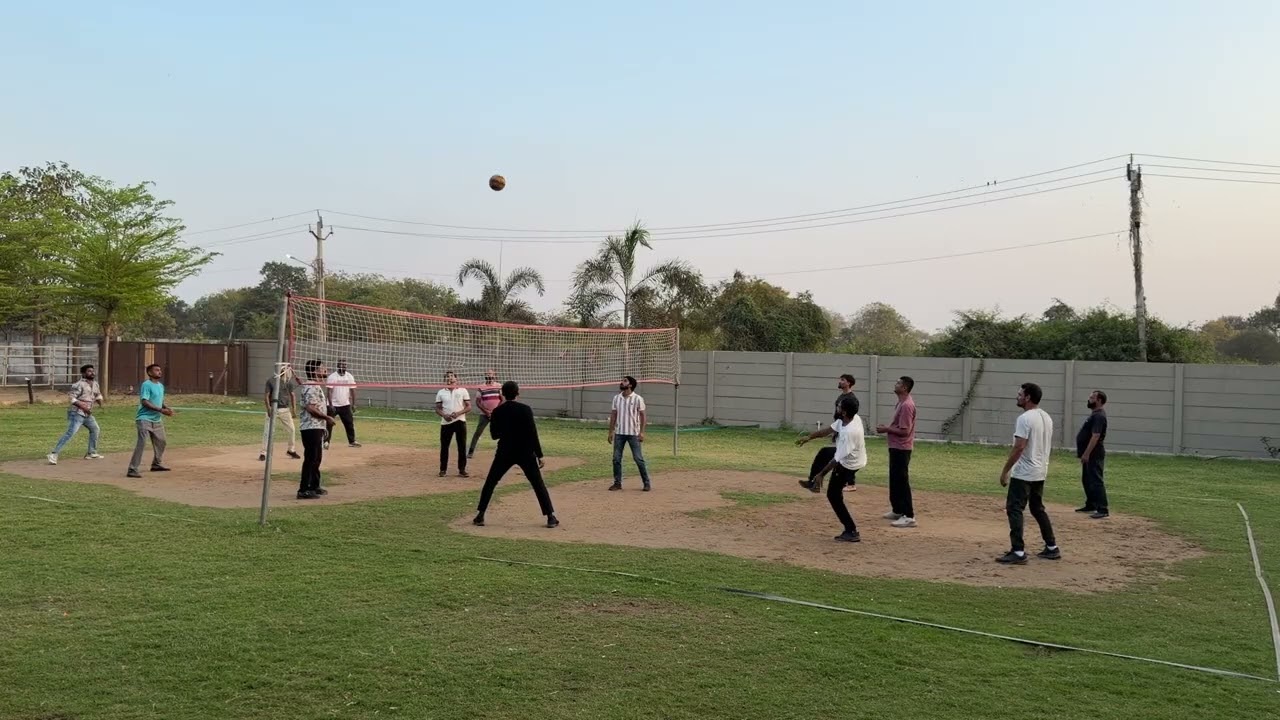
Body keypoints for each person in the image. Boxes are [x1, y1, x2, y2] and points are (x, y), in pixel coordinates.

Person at [473, 380, 559, 528]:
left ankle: (480, 515)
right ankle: (550, 517)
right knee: (538, 484)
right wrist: (540, 454)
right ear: (518, 393)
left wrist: (506, 429)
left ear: (502, 394)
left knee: (491, 482)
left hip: (505, 451)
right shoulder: (525, 409)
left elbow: (494, 435)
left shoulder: (497, 411)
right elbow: (533, 433)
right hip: (525, 451)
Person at [996, 382, 1061, 564]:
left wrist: (1005, 471)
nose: (1017, 397)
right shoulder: (1046, 417)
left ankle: (1017, 552)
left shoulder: (1024, 419)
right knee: (1037, 509)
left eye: (1020, 394)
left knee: (1014, 509)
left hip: (1024, 473)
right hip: (1040, 471)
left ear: (1028, 397)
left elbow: (1019, 447)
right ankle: (1051, 547)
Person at [803, 396, 867, 543]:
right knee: (825, 451)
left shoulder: (849, 432)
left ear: (844, 412)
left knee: (833, 495)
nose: (836, 408)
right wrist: (809, 437)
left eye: (839, 407)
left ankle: (851, 530)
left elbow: (837, 460)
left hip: (849, 463)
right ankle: (812, 482)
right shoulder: (850, 418)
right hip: (850, 456)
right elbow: (828, 430)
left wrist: (821, 474)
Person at [801, 374, 860, 492]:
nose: (840, 381)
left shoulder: (852, 399)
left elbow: (850, 418)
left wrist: (841, 430)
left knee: (840, 455)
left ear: (849, 383)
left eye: (843, 380)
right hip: (839, 430)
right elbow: (836, 423)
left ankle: (849, 482)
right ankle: (813, 480)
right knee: (830, 454)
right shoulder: (841, 397)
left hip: (845, 434)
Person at [877, 376, 917, 528]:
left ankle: (909, 516)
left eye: (899, 383)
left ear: (905, 387)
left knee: (901, 481)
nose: (895, 384)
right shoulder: (901, 403)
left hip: (902, 447)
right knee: (894, 480)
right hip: (895, 446)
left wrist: (886, 429)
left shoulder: (907, 405)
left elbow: (905, 431)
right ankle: (898, 510)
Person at [47, 364, 104, 465]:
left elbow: (97, 394)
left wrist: (100, 401)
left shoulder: (95, 384)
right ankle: (53, 453)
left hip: (87, 414)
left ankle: (91, 452)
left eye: (93, 371)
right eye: (89, 371)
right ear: (83, 373)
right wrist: (84, 407)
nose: (92, 373)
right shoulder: (78, 384)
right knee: (70, 433)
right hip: (77, 413)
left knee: (95, 429)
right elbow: (72, 398)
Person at [127, 364, 174, 478]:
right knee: (142, 443)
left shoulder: (160, 386)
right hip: (144, 419)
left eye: (160, 370)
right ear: (149, 373)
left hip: (156, 419)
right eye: (156, 370)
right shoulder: (146, 385)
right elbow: (145, 402)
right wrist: (161, 410)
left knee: (161, 441)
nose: (159, 372)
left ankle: (156, 464)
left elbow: (159, 401)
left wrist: (166, 408)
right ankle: (132, 469)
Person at [298, 359, 337, 499]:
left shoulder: (314, 385)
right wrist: (327, 418)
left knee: (317, 458)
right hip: (310, 427)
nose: (325, 369)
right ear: (315, 371)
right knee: (311, 458)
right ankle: (303, 490)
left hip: (317, 427)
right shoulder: (311, 387)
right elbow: (310, 408)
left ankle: (314, 485)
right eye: (322, 368)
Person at [608, 375, 652, 491]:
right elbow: (613, 415)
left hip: (633, 433)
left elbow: (643, 416)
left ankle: (646, 483)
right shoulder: (617, 398)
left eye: (625, 381)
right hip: (620, 433)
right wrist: (611, 431)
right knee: (616, 459)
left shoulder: (638, 399)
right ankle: (617, 483)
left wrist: (642, 432)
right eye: (622, 380)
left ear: (630, 385)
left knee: (638, 458)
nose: (622, 382)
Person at [1076, 390, 1110, 519]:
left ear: (1099, 400)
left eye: (1092, 398)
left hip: (1094, 454)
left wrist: (1086, 453)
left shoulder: (1099, 416)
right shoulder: (1094, 414)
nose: (1089, 399)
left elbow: (1095, 436)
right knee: (1086, 479)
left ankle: (1102, 508)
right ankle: (1091, 504)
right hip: (1089, 454)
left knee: (1096, 480)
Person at [260, 368, 302, 462]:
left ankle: (291, 450)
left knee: (292, 429)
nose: (289, 375)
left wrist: (294, 409)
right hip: (273, 408)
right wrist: (268, 408)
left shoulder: (288, 383)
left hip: (285, 409)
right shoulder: (271, 381)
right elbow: (266, 395)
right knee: (267, 431)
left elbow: (293, 395)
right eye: (288, 373)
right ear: (284, 373)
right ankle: (263, 452)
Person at [435, 370, 471, 477]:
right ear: (445, 379)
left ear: (456, 379)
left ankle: (462, 470)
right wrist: (444, 415)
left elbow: (469, 406)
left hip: (460, 421)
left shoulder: (463, 390)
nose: (450, 378)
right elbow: (437, 409)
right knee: (444, 446)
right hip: (446, 423)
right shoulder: (441, 392)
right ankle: (443, 469)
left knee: (462, 446)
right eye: (447, 376)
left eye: (452, 376)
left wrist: (458, 413)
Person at [325, 359, 361, 449]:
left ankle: (352, 441)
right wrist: (330, 405)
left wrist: (354, 404)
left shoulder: (349, 376)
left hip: (345, 404)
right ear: (338, 366)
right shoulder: (332, 377)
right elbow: (329, 392)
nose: (343, 367)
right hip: (333, 404)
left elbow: (353, 390)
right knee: (329, 424)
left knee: (349, 423)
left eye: (344, 365)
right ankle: (326, 442)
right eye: (341, 365)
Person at [467, 370, 503, 459]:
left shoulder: (499, 386)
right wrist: (486, 411)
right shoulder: (481, 387)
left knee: (502, 433)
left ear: (494, 376)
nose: (489, 375)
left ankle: (503, 452)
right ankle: (470, 452)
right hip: (484, 414)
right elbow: (478, 402)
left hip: (497, 414)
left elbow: (502, 400)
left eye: (490, 373)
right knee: (478, 433)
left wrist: (495, 411)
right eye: (487, 373)